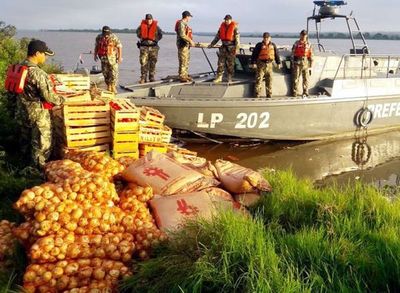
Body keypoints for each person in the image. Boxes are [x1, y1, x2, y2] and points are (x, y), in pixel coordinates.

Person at [14, 39, 64, 169]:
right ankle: (36, 172)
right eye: (44, 54)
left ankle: (21, 166)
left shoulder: (20, 66)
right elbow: (49, 97)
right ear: (37, 53)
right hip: (37, 114)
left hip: (22, 111)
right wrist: (63, 100)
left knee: (25, 141)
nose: (46, 57)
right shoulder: (38, 73)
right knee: (42, 144)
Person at [208, 15, 240, 83]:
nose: (226, 21)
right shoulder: (221, 27)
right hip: (223, 47)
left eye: (228, 20)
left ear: (231, 20)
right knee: (220, 63)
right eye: (225, 20)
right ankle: (219, 77)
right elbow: (217, 37)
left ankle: (230, 77)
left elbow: (237, 39)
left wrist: (237, 48)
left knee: (230, 64)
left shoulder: (235, 28)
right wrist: (212, 44)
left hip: (231, 48)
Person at [251, 32, 281, 98]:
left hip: (269, 65)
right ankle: (256, 94)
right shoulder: (259, 45)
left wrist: (278, 62)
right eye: (265, 38)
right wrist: (253, 63)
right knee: (259, 80)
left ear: (270, 38)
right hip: (261, 64)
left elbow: (276, 54)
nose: (266, 39)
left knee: (269, 80)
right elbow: (254, 55)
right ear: (263, 38)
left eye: (267, 38)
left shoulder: (273, 45)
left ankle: (269, 94)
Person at [94, 26, 122, 93]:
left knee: (114, 73)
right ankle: (108, 85)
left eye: (107, 34)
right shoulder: (99, 37)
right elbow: (96, 46)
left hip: (112, 57)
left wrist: (120, 57)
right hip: (103, 58)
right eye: (105, 34)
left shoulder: (114, 37)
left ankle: (113, 86)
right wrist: (95, 55)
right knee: (105, 73)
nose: (106, 36)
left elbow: (119, 47)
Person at [136, 14, 163, 84]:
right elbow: (138, 34)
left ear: (152, 19)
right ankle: (143, 77)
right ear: (145, 19)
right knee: (143, 62)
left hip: (154, 47)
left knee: (153, 62)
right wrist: (143, 39)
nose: (149, 21)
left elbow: (161, 35)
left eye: (150, 19)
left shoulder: (157, 27)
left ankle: (151, 77)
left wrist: (155, 39)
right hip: (144, 47)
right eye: (147, 19)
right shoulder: (140, 27)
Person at [291, 29, 313, 97]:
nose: (303, 36)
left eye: (305, 35)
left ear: (306, 36)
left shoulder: (309, 44)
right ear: (300, 35)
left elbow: (311, 55)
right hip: (297, 62)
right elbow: (293, 53)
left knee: (306, 79)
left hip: (306, 63)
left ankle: (305, 92)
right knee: (296, 78)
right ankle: (295, 92)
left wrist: (311, 66)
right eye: (302, 35)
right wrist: (292, 62)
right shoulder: (296, 43)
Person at [175, 10, 195, 82]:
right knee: (183, 60)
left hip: (186, 45)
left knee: (186, 60)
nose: (190, 18)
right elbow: (182, 35)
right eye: (189, 17)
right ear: (187, 17)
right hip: (182, 45)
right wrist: (190, 41)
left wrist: (189, 42)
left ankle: (185, 75)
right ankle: (182, 76)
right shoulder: (181, 23)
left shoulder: (185, 24)